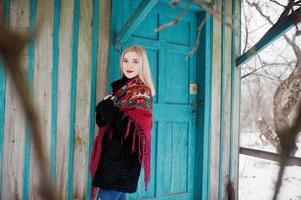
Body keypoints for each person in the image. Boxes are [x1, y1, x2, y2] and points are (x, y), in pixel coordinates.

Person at [89, 46, 155, 200]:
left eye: (135, 61)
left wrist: (108, 108)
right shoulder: (121, 91)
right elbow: (108, 124)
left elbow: (131, 132)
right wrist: (104, 110)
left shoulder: (141, 92)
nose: (129, 65)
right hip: (112, 159)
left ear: (142, 65)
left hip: (122, 164)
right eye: (126, 61)